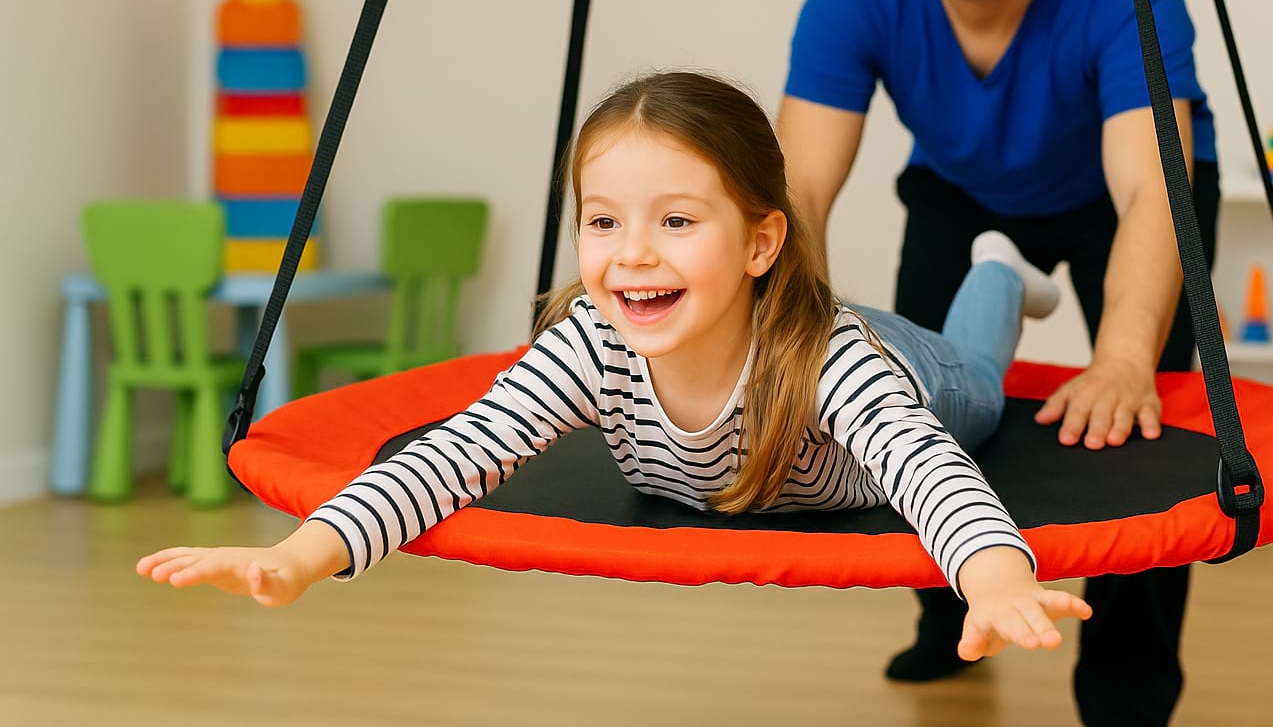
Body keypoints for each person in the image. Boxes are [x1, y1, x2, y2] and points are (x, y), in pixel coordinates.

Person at [137, 70, 1090, 662]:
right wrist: (298, 558)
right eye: (603, 221)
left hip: (906, 366)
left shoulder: (831, 364)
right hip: (779, 328)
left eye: (675, 220)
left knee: (980, 373)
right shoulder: (593, 339)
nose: (632, 254)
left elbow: (930, 472)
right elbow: (455, 454)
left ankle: (999, 271)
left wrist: (995, 579)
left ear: (760, 242)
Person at [777, 0, 1219, 725]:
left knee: (1141, 431)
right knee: (915, 402)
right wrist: (790, 345)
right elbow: (796, 190)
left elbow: (1150, 187)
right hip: (963, 185)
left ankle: (1126, 694)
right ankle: (949, 619)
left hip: (1125, 195)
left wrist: (1121, 360)